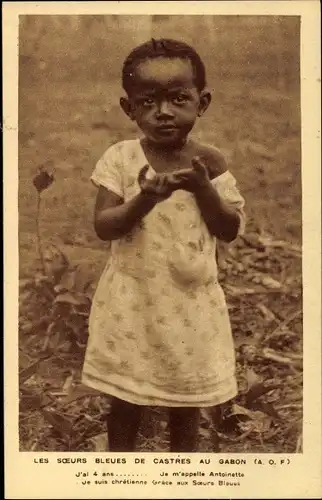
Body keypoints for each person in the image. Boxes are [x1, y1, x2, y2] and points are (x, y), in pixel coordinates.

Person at [82, 38, 246, 452]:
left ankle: (181, 477)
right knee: (124, 400)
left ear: (201, 102)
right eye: (148, 101)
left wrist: (204, 188)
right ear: (129, 108)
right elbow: (104, 226)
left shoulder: (211, 163)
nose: (164, 112)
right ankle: (120, 474)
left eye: (178, 98)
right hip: (132, 301)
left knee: (185, 400)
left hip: (190, 305)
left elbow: (229, 228)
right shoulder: (121, 159)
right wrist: (146, 199)